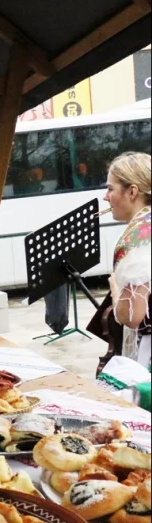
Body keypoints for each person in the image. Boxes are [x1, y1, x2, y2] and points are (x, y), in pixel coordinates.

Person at [104, 151, 151, 370]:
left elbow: (131, 315)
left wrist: (115, 290)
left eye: (110, 188)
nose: (106, 197)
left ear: (132, 191)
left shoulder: (136, 236)